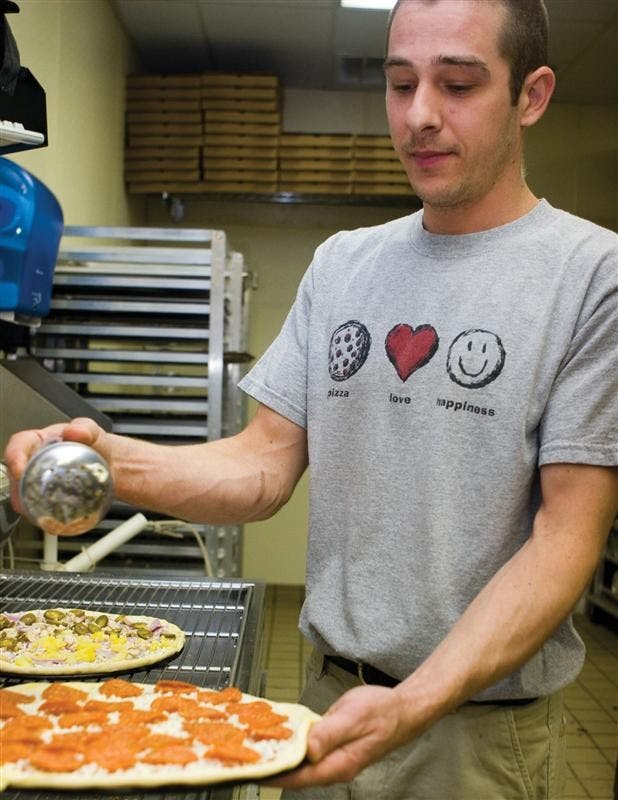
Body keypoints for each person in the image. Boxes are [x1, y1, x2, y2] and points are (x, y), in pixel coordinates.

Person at [5, 0, 617, 797]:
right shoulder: (343, 265)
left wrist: (415, 704)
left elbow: (565, 538)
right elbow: (261, 466)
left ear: (531, 95)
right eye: (400, 85)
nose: (420, 117)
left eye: (458, 84)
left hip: (474, 733)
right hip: (327, 702)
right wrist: (103, 461)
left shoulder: (590, 275)